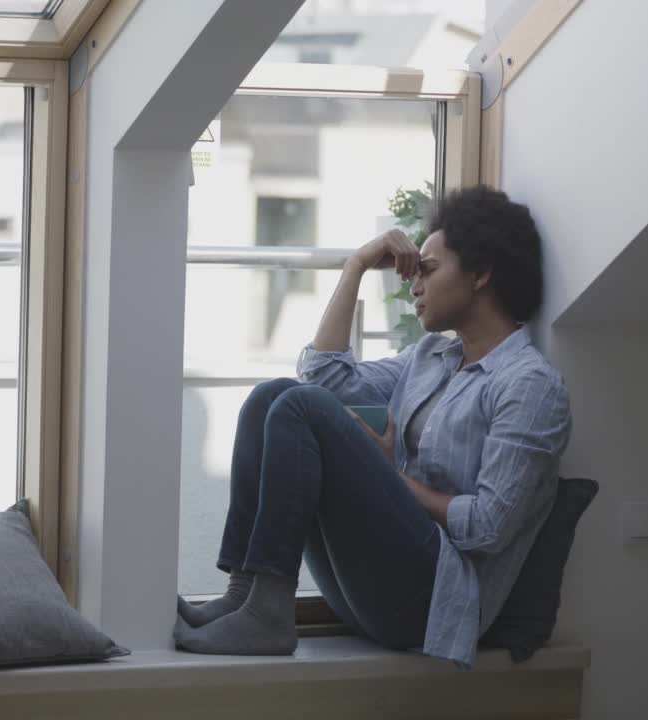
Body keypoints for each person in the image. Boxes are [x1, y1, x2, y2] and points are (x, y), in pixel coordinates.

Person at [173, 185, 572, 670]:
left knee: (301, 408)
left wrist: (394, 481)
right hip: (375, 588)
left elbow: (490, 526)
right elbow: (324, 375)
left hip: (435, 605)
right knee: (270, 397)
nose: (413, 285)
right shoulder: (431, 358)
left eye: (428, 270)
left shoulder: (529, 385)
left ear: (481, 274)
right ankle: (247, 596)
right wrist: (356, 266)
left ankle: (269, 614)